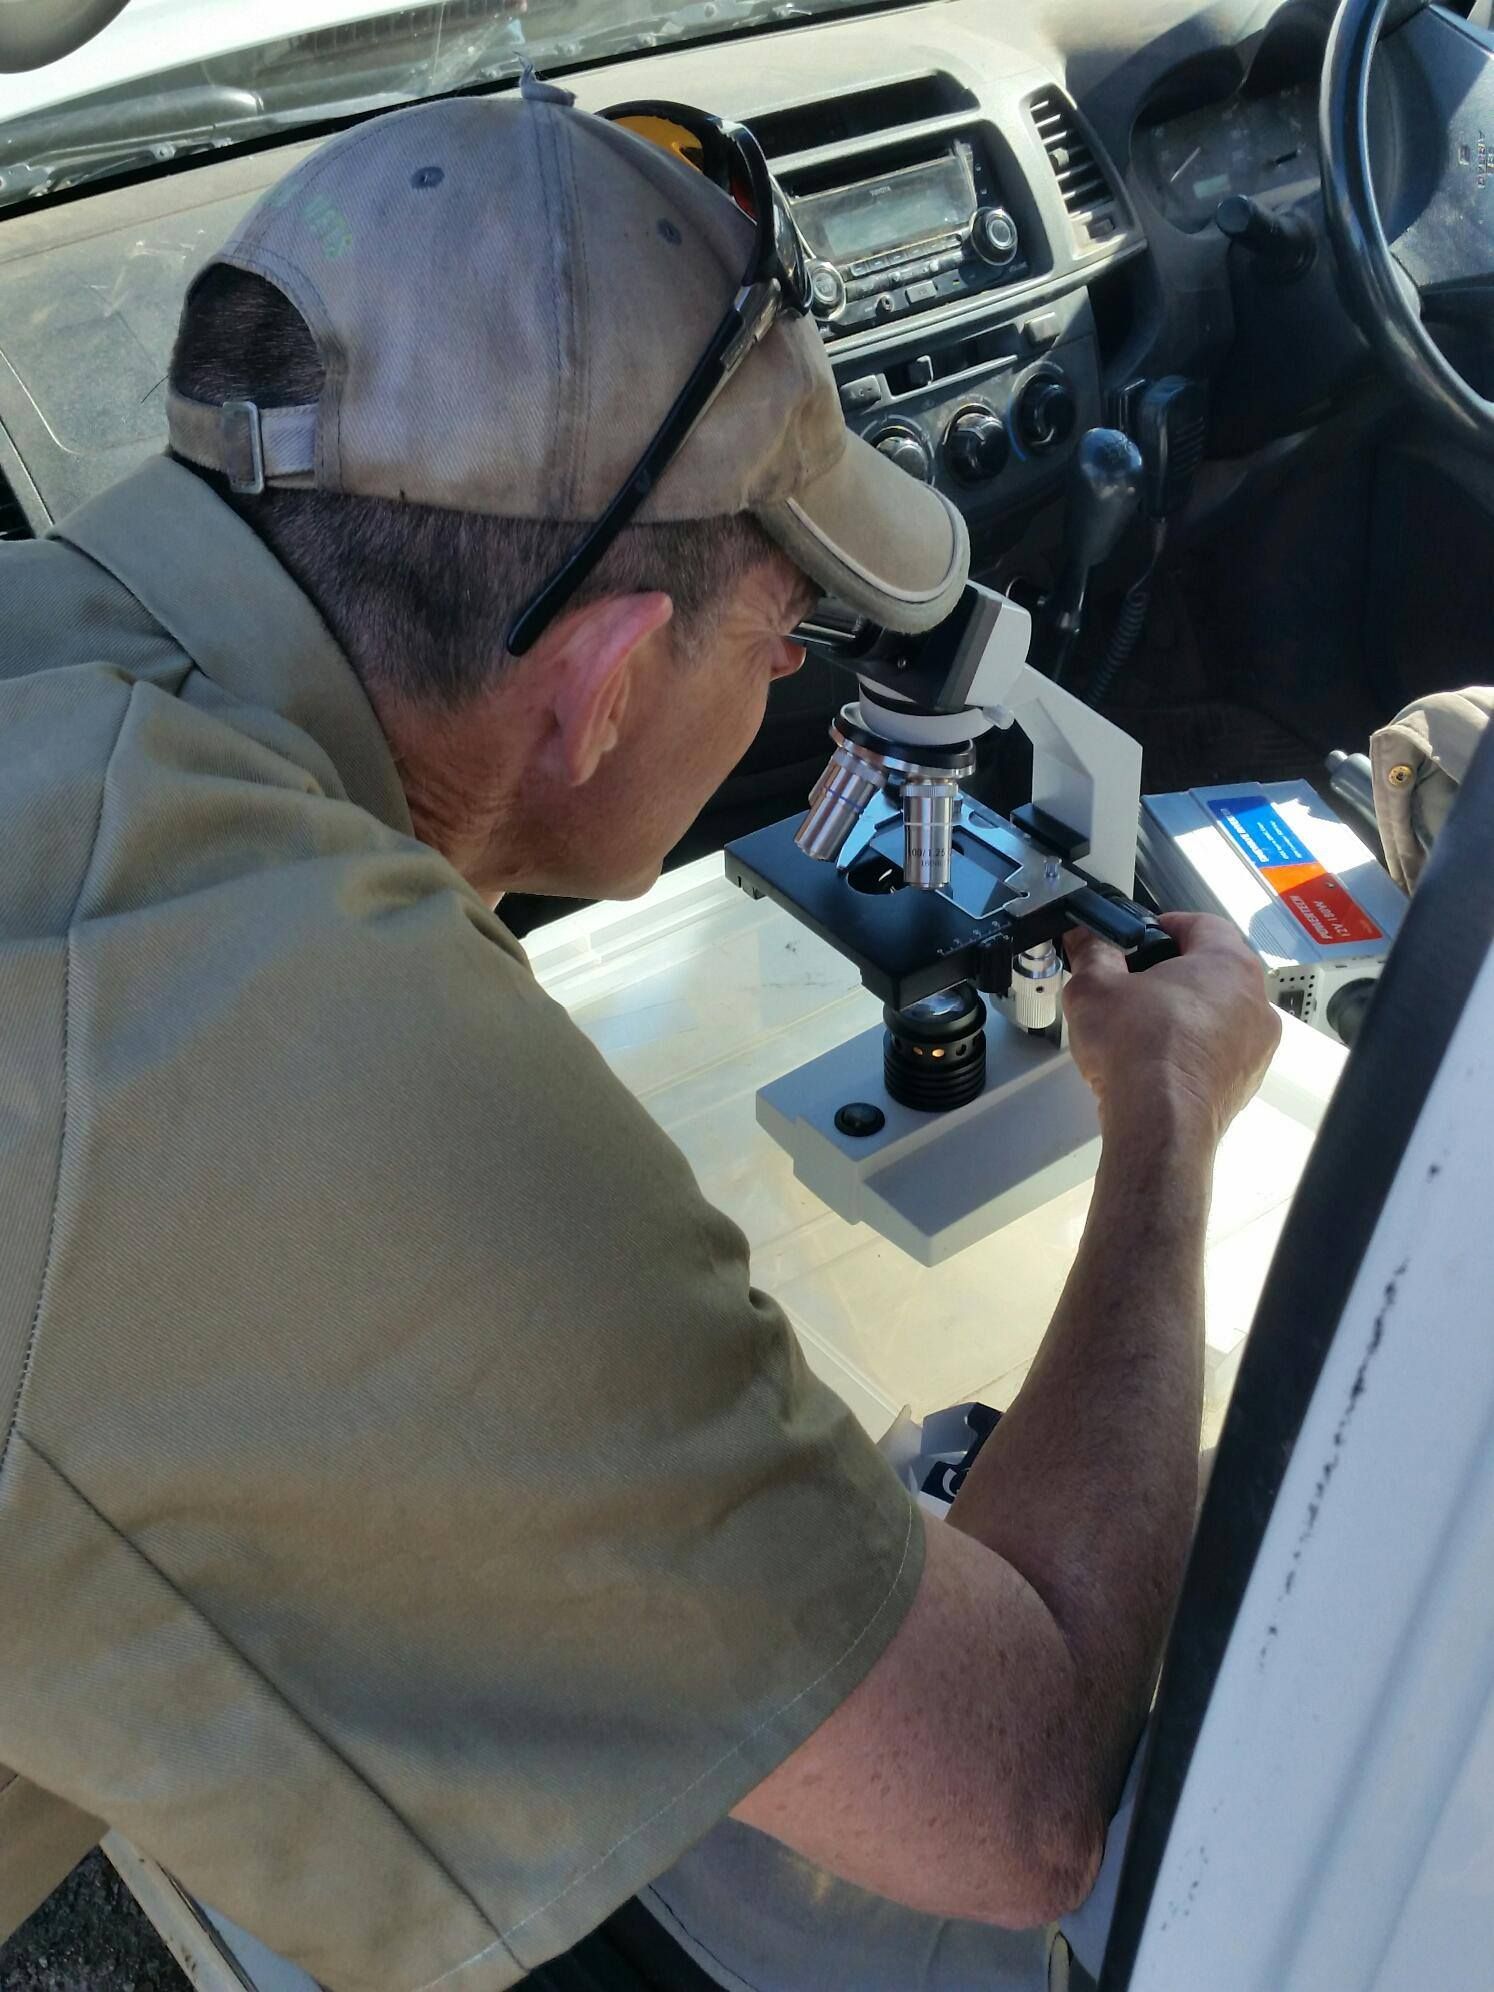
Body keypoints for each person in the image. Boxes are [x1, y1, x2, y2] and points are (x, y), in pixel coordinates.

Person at [0, 78, 1279, 1992]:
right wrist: (1168, 1114)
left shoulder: (65, 671)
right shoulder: (295, 1061)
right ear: (599, 684)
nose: (800, 678)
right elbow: (1010, 1798)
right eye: (789, 645)